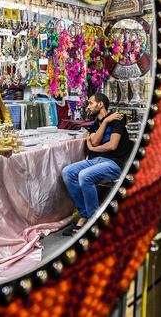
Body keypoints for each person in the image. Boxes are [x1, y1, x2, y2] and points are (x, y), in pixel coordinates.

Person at [61, 93, 132, 236]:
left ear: (100, 105)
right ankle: (85, 215)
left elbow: (112, 146)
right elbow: (94, 141)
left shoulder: (117, 120)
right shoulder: (97, 123)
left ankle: (94, 221)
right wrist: (104, 122)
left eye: (90, 103)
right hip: (96, 161)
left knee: (84, 176)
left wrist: (93, 148)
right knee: (67, 172)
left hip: (114, 163)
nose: (88, 106)